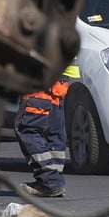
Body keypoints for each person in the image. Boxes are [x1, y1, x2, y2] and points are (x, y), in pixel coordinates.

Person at [14, 58, 80, 197]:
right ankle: (54, 181)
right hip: (58, 78)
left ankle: (50, 182)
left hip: (40, 75)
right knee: (51, 131)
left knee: (27, 129)